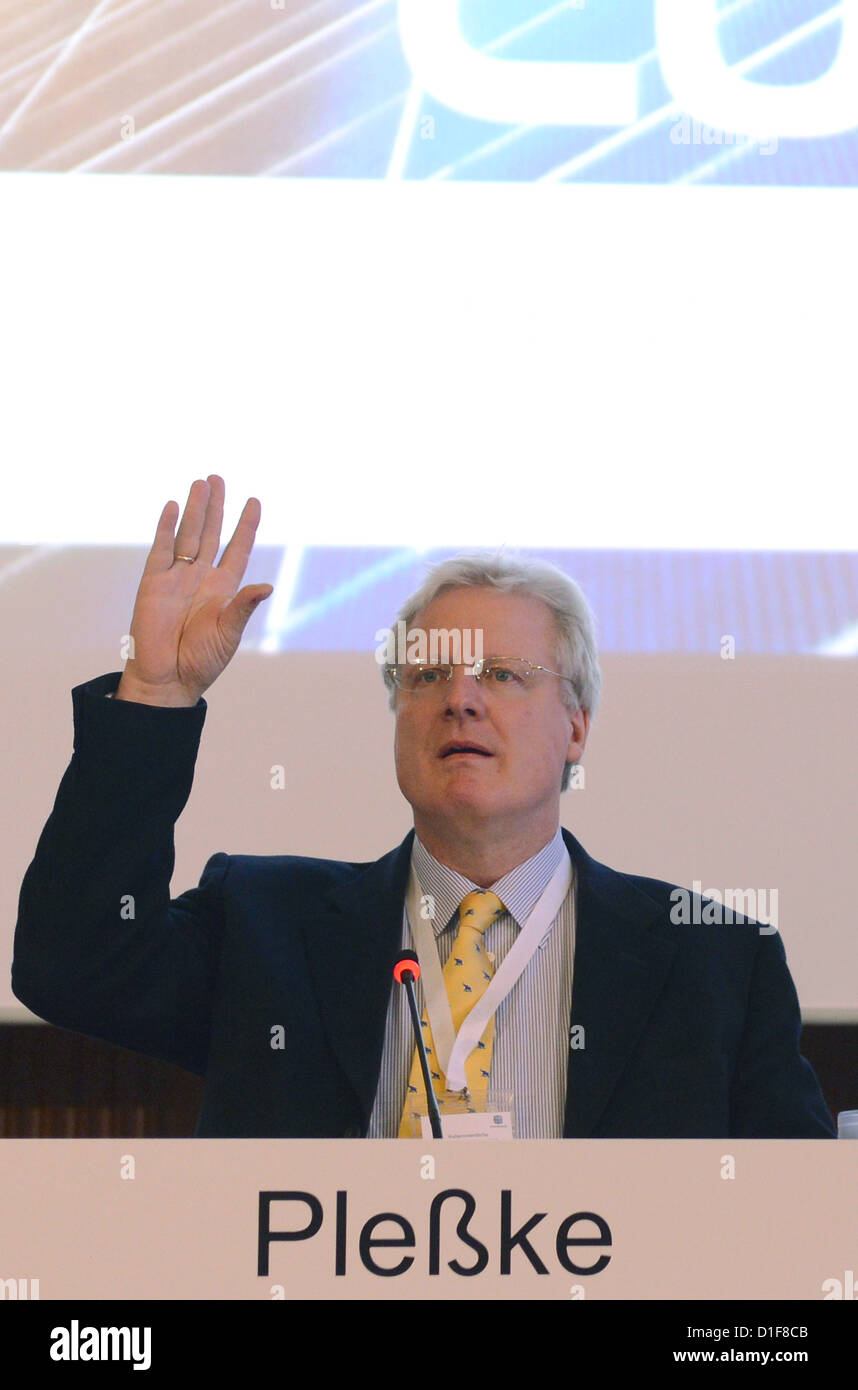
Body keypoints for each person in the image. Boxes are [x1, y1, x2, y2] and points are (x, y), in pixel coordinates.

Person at [12, 477, 834, 1139]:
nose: (462, 701)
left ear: (577, 725)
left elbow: (791, 1233)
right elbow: (75, 969)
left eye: (505, 675)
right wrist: (156, 693)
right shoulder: (264, 929)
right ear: (399, 710)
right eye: (430, 676)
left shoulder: (717, 965)